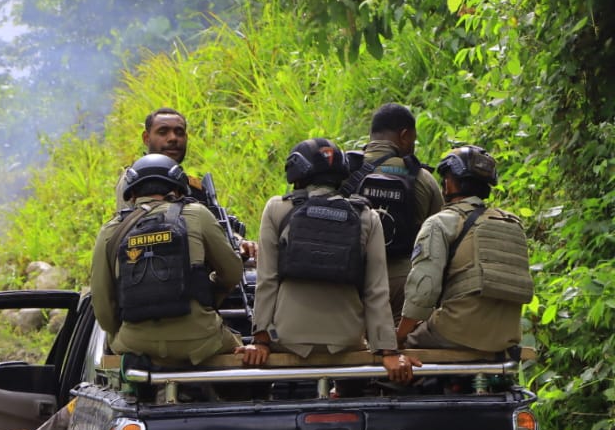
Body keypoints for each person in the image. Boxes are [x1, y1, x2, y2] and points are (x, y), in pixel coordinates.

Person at [238, 139, 414, 383]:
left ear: (296, 173)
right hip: (348, 340)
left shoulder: (278, 209)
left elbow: (267, 280)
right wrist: (388, 350)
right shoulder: (366, 216)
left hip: (288, 339)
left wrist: (260, 340)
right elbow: (376, 291)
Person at [90, 153, 243, 366]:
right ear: (178, 189)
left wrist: (124, 333)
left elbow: (102, 303)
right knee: (240, 350)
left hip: (135, 344)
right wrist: (206, 295)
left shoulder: (110, 231)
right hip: (200, 340)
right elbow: (232, 272)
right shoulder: (197, 214)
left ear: (131, 194)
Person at [396, 146, 533, 353]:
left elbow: (423, 291)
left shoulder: (441, 223)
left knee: (397, 357)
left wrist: (399, 337)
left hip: (456, 332)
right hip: (506, 338)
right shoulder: (511, 223)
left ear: (449, 184)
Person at [115, 108, 256, 258]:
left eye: (179, 132)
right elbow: (132, 230)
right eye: (163, 132)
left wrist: (239, 242)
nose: (173, 138)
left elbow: (215, 226)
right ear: (146, 138)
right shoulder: (134, 181)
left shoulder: (191, 186)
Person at [347, 103, 444, 316]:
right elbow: (440, 237)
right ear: (405, 135)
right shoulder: (422, 178)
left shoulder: (344, 170)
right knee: (399, 345)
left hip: (350, 282)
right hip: (402, 284)